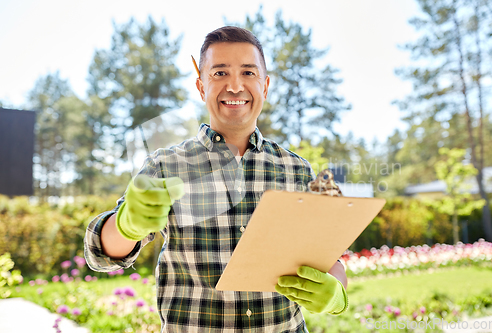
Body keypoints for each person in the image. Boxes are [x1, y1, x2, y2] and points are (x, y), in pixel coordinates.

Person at [84, 26, 348, 332]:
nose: (235, 86)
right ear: (200, 86)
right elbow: (102, 254)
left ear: (265, 85)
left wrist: (335, 294)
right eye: (220, 73)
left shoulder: (296, 170)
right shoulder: (165, 165)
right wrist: (127, 225)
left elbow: (330, 259)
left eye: (248, 73)